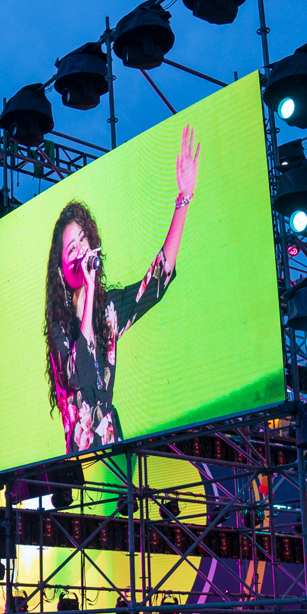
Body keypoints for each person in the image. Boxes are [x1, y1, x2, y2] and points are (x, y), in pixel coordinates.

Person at [44, 124, 201, 455]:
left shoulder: (109, 310)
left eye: (84, 241)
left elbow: (156, 281)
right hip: (80, 457)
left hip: (114, 445)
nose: (81, 251)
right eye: (71, 249)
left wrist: (183, 200)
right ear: (60, 269)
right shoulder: (59, 325)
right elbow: (80, 375)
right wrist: (88, 290)